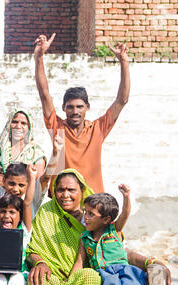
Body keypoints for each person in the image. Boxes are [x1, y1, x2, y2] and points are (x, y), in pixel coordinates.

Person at [26, 169, 171, 285]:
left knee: (92, 276)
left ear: (82, 191)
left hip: (89, 278)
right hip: (55, 277)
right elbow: (34, 249)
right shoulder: (47, 213)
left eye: (71, 190)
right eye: (60, 190)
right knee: (40, 280)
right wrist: (40, 262)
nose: (65, 195)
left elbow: (117, 250)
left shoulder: (97, 221)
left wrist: (151, 261)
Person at [34, 33, 130, 194]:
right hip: (61, 201)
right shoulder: (57, 127)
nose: (75, 111)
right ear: (63, 107)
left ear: (87, 107)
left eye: (79, 107)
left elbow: (122, 100)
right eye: (70, 107)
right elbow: (44, 93)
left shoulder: (98, 128)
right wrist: (38, 58)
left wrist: (124, 62)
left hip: (92, 203)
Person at [70, 185, 149, 285]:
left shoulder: (114, 230)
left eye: (91, 214)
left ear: (106, 219)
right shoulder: (85, 238)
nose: (85, 217)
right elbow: (79, 262)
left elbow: (125, 214)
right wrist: (70, 281)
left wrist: (126, 197)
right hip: (104, 275)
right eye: (85, 212)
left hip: (124, 270)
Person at [0, 133, 64, 218]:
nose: (15, 189)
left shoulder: (32, 198)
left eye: (21, 185)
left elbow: (46, 178)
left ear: (28, 185)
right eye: (11, 184)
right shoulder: (0, 193)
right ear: (4, 181)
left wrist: (56, 153)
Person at [0, 109, 46, 180]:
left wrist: (6, 183)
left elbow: (38, 186)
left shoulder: (36, 154)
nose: (18, 126)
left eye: (23, 123)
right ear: (9, 124)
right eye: (14, 122)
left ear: (29, 127)